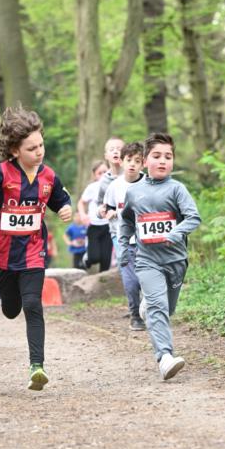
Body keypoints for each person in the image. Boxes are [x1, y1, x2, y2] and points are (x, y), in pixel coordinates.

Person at [0, 105, 72, 390]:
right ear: (14, 151)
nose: (39, 152)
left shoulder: (48, 176)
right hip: (2, 252)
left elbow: (61, 200)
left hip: (35, 250)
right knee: (11, 308)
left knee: (33, 304)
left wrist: (65, 210)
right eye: (31, 148)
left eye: (41, 145)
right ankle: (6, 298)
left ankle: (37, 366)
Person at [119, 132, 201, 380]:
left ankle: (149, 307)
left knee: (167, 308)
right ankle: (165, 357)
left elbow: (193, 217)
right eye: (156, 156)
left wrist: (176, 233)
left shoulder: (177, 189)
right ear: (145, 161)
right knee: (158, 306)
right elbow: (126, 221)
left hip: (175, 261)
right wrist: (124, 246)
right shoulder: (134, 192)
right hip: (147, 261)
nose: (163, 161)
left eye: (168, 156)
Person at [103, 142, 145, 331]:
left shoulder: (149, 184)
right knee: (131, 280)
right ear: (122, 162)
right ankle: (135, 315)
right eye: (129, 160)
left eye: (137, 161)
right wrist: (108, 213)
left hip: (147, 239)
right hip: (123, 239)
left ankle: (150, 311)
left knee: (147, 277)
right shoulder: (114, 186)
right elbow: (108, 207)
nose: (132, 165)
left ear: (143, 164)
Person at [78, 159, 111, 271]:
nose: (102, 175)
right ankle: (86, 260)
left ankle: (104, 286)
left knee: (106, 261)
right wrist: (83, 215)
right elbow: (81, 202)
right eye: (99, 173)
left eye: (105, 172)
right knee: (95, 257)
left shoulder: (114, 185)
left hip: (109, 227)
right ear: (94, 175)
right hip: (94, 226)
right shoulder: (92, 187)